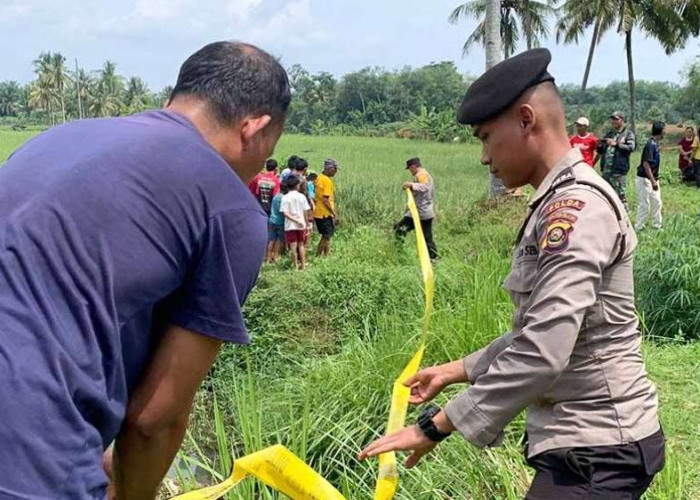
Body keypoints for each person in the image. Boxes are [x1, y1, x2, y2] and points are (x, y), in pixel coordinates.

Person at [359, 48, 663, 500]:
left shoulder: (574, 210)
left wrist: (436, 425)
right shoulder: (554, 202)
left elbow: (543, 351)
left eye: (485, 137)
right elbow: (539, 329)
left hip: (600, 447)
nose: (484, 157)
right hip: (586, 443)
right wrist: (457, 370)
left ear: (526, 120)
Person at [0, 41, 290, 500]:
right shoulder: (230, 209)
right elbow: (154, 418)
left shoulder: (60, 138)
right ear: (255, 128)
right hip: (31, 461)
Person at [393, 157, 438, 261]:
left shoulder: (421, 174)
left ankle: (399, 252)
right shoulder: (424, 174)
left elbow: (425, 187)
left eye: (409, 169)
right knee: (427, 237)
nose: (410, 171)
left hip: (419, 213)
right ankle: (434, 258)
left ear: (413, 167)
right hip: (426, 212)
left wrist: (411, 184)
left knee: (399, 229)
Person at [598, 111, 636, 209]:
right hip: (606, 170)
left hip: (618, 171)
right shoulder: (609, 133)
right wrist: (600, 145)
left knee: (620, 195)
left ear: (622, 120)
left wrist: (617, 145)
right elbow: (601, 150)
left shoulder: (628, 134)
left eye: (616, 119)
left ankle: (625, 218)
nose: (613, 121)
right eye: (612, 119)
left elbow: (631, 148)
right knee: (605, 195)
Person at [635, 122, 665, 231]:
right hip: (645, 179)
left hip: (653, 178)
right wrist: (652, 181)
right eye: (664, 131)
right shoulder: (650, 145)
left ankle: (657, 226)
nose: (665, 133)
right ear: (660, 132)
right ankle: (639, 227)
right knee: (644, 204)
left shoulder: (655, 144)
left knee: (657, 202)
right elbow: (646, 164)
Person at [280, 175, 310, 270]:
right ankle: (304, 265)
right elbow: (306, 212)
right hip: (301, 225)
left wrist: (295, 220)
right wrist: (306, 224)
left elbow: (285, 213)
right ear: (297, 185)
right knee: (301, 245)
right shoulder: (302, 197)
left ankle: (295, 266)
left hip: (290, 226)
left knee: (293, 247)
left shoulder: (285, 197)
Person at [313, 158, 339, 257]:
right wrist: (334, 213)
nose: (335, 172)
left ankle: (326, 255)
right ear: (330, 169)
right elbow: (325, 200)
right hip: (324, 213)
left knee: (327, 235)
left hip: (317, 212)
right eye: (335, 169)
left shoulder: (318, 177)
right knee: (326, 236)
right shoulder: (327, 181)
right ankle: (318, 255)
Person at [266, 182, 287, 263]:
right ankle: (276, 256)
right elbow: (282, 211)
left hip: (272, 220)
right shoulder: (283, 198)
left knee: (271, 240)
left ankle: (268, 257)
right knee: (278, 240)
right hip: (280, 221)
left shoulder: (275, 196)